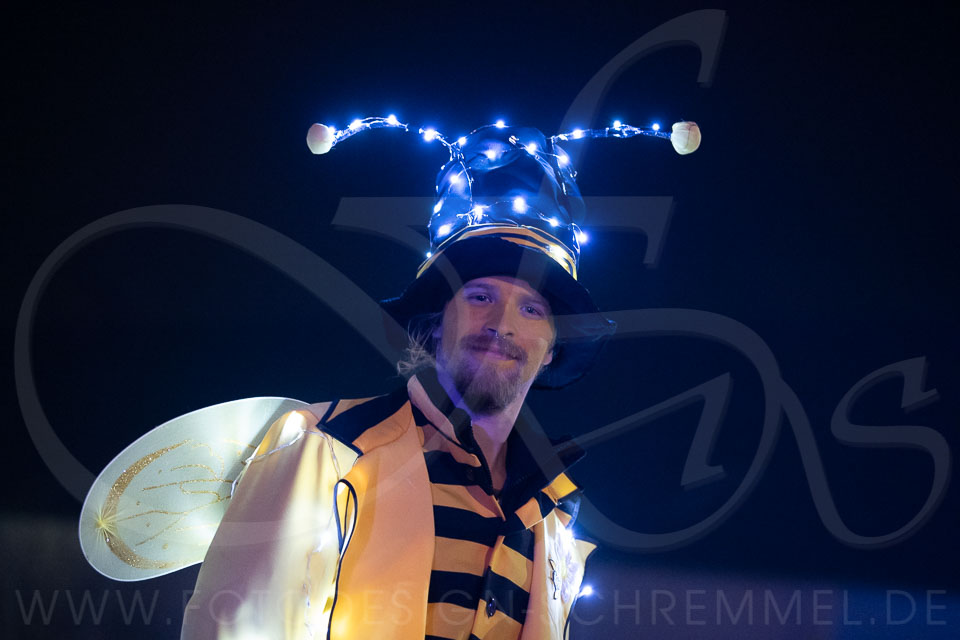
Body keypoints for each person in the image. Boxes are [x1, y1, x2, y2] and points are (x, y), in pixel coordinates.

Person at [78, 116, 697, 639]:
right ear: (435, 323)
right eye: (479, 296)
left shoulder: (554, 515)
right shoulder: (324, 446)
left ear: (553, 348)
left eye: (532, 309)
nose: (503, 323)